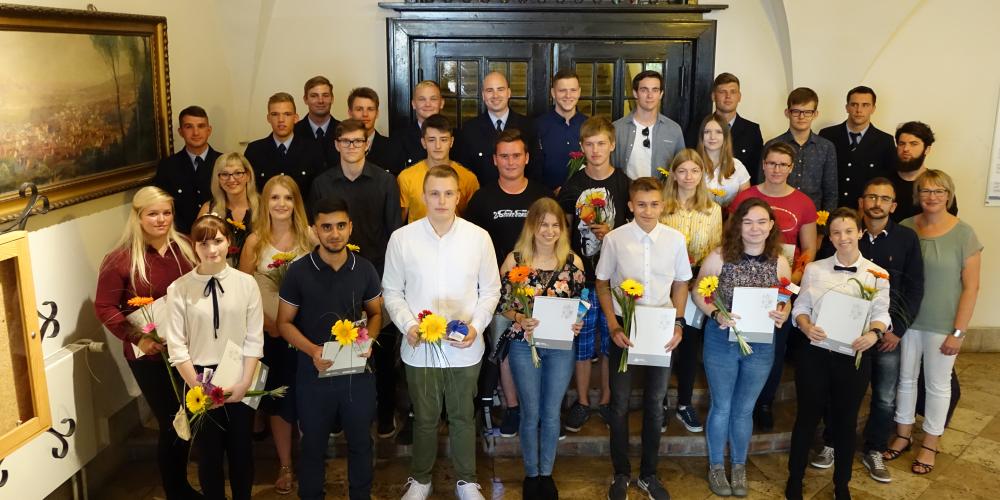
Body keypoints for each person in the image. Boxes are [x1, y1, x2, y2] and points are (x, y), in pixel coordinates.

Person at [384, 165, 502, 500]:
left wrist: (476, 327)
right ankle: (420, 479)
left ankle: (466, 480)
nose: (441, 200)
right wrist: (407, 324)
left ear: (459, 196)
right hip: (418, 346)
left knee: (463, 414)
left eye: (448, 193)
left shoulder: (477, 237)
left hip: (464, 346)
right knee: (424, 416)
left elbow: (490, 290)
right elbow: (392, 291)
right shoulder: (402, 238)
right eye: (434, 193)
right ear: (423, 196)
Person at [809, 178, 925, 483]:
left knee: (884, 394)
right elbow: (824, 281)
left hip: (885, 331)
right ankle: (831, 443)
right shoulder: (842, 234)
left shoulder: (906, 238)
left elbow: (914, 287)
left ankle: (874, 448)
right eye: (871, 197)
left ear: (893, 205)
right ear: (862, 203)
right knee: (839, 393)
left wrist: (893, 329)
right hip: (840, 335)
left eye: (884, 199)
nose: (877, 203)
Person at [94, 186, 199, 500]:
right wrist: (139, 337)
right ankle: (176, 490)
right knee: (172, 421)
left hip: (187, 349)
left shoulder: (186, 249)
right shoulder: (121, 259)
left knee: (191, 415)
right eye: (153, 214)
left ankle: (184, 483)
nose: (161, 219)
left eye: (167, 213)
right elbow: (104, 307)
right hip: (149, 355)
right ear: (138, 217)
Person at [277, 197, 384, 500]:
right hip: (314, 374)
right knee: (312, 444)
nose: (334, 233)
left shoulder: (364, 269)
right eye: (326, 227)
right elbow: (284, 323)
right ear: (314, 230)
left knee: (361, 442)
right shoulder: (298, 272)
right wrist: (312, 350)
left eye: (340, 226)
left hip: (357, 373)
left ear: (350, 228)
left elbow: (375, 313)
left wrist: (369, 340)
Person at [595, 177, 691, 500]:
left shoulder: (676, 240)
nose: (647, 211)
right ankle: (620, 472)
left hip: (662, 326)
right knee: (619, 402)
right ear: (630, 205)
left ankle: (649, 474)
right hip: (625, 325)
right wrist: (612, 324)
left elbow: (681, 283)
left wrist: (679, 324)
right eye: (641, 204)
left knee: (655, 402)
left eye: (653, 204)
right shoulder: (615, 239)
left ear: (663, 205)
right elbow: (603, 283)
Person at [785, 208, 890, 500]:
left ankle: (841, 485)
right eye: (835, 232)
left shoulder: (878, 274)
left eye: (848, 231)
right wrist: (805, 327)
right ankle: (795, 480)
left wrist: (874, 334)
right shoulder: (814, 269)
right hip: (815, 355)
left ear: (859, 232)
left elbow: (882, 313)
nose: (842, 237)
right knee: (806, 418)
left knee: (845, 423)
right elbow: (801, 307)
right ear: (828, 237)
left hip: (853, 358)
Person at [308, 118, 403, 437]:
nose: (352, 147)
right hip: (333, 275)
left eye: (358, 141)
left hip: (375, 274)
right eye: (345, 141)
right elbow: (317, 231)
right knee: (336, 342)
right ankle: (337, 413)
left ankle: (386, 411)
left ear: (367, 144)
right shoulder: (323, 183)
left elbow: (393, 233)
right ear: (336, 145)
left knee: (380, 347)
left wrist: (386, 280)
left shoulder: (385, 181)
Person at [886, 170, 981, 476]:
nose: (932, 196)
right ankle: (902, 434)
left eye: (939, 191)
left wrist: (958, 332)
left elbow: (971, 287)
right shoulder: (905, 227)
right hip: (907, 320)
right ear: (917, 195)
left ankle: (929, 443)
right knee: (905, 378)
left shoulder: (964, 234)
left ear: (949, 195)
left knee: (938, 385)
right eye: (925, 191)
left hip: (943, 325)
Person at [694, 198, 791, 497]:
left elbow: (785, 295)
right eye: (748, 222)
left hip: (761, 345)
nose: (755, 228)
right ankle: (715, 466)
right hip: (721, 340)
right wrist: (715, 313)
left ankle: (738, 465)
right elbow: (700, 291)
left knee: (744, 409)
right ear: (738, 225)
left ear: (771, 226)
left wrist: (783, 311)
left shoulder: (779, 259)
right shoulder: (720, 256)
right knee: (722, 406)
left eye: (761, 222)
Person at [165, 214, 264, 500]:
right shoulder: (179, 288)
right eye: (204, 243)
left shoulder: (246, 284)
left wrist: (245, 381)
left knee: (242, 451)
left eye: (218, 241)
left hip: (240, 373)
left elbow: (254, 338)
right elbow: (177, 347)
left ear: (229, 242)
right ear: (193, 246)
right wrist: (198, 386)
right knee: (208, 454)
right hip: (199, 376)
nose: (212, 250)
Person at [496, 198, 586, 499]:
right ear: (532, 226)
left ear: (563, 228)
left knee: (550, 412)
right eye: (543, 224)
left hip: (560, 347)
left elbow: (580, 305)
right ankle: (531, 473)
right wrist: (520, 317)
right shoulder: (516, 259)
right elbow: (503, 303)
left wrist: (578, 322)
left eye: (555, 225)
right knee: (530, 411)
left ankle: (546, 473)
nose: (549, 231)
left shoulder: (573, 262)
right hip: (525, 344)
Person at [465, 128, 551, 437]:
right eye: (504, 156)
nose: (511, 161)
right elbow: (470, 245)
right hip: (497, 290)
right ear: (494, 160)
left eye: (517, 155)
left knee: (538, 346)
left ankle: (539, 409)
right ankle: (513, 408)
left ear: (527, 158)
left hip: (541, 288)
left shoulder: (541, 196)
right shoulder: (481, 199)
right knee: (503, 349)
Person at [730, 142, 818, 431]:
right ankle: (738, 400)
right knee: (738, 343)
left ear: (791, 168)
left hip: (782, 285)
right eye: (772, 163)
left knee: (774, 347)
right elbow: (730, 237)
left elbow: (809, 249)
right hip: (742, 285)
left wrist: (790, 284)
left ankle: (764, 402)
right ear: (763, 165)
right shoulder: (746, 196)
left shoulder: (804, 203)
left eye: (783, 164)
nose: (777, 169)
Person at [237, 175, 314, 495]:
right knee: (280, 400)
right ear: (264, 203)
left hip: (305, 334)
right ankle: (285, 464)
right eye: (274, 198)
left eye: (287, 198)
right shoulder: (255, 241)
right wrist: (269, 323)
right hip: (268, 333)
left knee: (309, 399)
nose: (281, 204)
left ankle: (311, 460)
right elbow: (240, 289)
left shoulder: (309, 237)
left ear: (296, 202)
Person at [557, 116, 632, 433]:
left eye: (602, 143)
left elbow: (633, 230)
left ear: (612, 145)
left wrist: (612, 234)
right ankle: (583, 401)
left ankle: (608, 398)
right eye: (589, 144)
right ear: (582, 147)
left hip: (615, 279)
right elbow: (565, 231)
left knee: (611, 342)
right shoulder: (574, 184)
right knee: (584, 343)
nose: (596, 149)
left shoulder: (624, 182)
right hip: (583, 278)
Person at [658, 149, 722, 433]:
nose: (688, 177)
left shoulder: (713, 209)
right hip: (663, 284)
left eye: (694, 171)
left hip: (696, 284)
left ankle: (684, 403)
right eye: (682, 171)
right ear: (673, 174)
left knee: (687, 344)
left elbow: (716, 249)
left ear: (702, 175)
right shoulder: (662, 206)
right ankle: (658, 402)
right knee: (663, 344)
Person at [761, 87, 838, 213]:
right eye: (796, 111)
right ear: (787, 113)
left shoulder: (826, 147)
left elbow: (831, 192)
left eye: (807, 112)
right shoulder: (772, 145)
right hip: (777, 215)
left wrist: (824, 227)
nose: (801, 117)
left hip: (813, 217)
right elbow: (762, 185)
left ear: (815, 114)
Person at [818, 86, 896, 207]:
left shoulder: (885, 141)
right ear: (847, 107)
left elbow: (887, 182)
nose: (859, 110)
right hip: (830, 210)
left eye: (865, 105)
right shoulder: (827, 135)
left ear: (873, 109)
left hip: (866, 213)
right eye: (854, 104)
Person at [456, 71, 539, 184]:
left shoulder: (528, 126)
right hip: (483, 198)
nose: (495, 95)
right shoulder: (470, 130)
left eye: (500, 89)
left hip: (521, 197)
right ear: (483, 95)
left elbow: (535, 168)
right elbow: (465, 172)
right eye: (490, 90)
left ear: (508, 93)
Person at [398, 113, 480, 223]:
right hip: (417, 238)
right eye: (432, 140)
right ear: (423, 142)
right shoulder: (406, 177)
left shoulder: (469, 178)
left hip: (456, 238)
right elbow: (399, 221)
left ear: (451, 142)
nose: (438, 146)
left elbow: (473, 221)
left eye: (444, 139)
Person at [152, 105, 222, 234]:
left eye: (201, 126)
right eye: (189, 127)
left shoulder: (224, 163)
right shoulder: (168, 166)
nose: (195, 133)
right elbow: (162, 207)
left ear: (209, 130)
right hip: (180, 238)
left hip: (219, 237)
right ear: (180, 132)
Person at [244, 92, 327, 198]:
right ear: (268, 118)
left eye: (287, 114)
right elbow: (250, 192)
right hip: (265, 213)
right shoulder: (254, 151)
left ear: (296, 118)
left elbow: (320, 192)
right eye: (275, 114)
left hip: (303, 213)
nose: (281, 120)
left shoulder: (313, 150)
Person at [611, 70, 685, 181]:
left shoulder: (674, 130)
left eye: (655, 90)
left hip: (662, 195)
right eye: (644, 90)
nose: (650, 95)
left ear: (661, 94)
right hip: (625, 194)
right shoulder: (616, 129)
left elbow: (682, 166)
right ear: (635, 93)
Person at [197, 152, 260, 268]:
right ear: (218, 179)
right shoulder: (208, 209)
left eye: (238, 173)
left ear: (248, 176)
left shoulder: (265, 207)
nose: (231, 179)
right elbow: (198, 249)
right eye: (225, 174)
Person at [889, 121, 958, 222]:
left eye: (914, 144)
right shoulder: (883, 182)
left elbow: (949, 224)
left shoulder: (939, 185)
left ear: (927, 149)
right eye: (902, 144)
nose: (906, 149)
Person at [535, 69, 588, 191]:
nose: (568, 96)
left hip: (585, 200)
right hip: (547, 200)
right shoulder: (538, 126)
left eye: (573, 90)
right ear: (553, 93)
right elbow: (532, 169)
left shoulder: (589, 126)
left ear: (579, 92)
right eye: (562, 90)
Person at [711, 73, 763, 185]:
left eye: (733, 92)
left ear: (739, 97)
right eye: (722, 92)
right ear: (713, 96)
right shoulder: (698, 127)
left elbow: (756, 171)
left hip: (741, 196)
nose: (728, 96)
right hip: (704, 197)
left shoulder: (752, 131)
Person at [346, 86, 407, 175]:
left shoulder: (394, 148)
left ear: (377, 113)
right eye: (359, 109)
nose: (365, 114)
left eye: (370, 109)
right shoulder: (341, 147)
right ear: (350, 113)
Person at [697, 113, 751, 208]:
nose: (712, 137)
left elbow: (745, 204)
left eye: (718, 132)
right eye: (707, 132)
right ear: (702, 136)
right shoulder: (692, 164)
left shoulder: (737, 166)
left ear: (725, 137)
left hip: (731, 219)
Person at [399, 80, 446, 169]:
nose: (427, 104)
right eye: (422, 99)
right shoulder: (399, 138)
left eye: (433, 99)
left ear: (442, 103)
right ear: (413, 104)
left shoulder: (458, 138)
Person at [294, 76, 341, 164]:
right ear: (305, 99)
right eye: (314, 96)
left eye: (325, 95)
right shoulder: (293, 132)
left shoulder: (345, 132)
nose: (320, 101)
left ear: (332, 98)